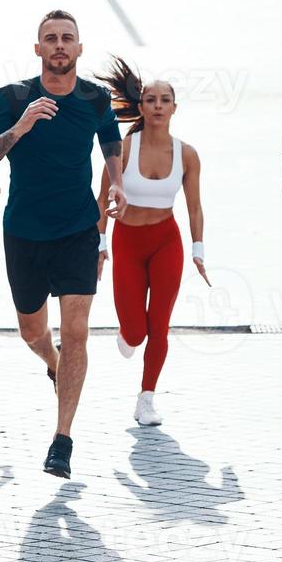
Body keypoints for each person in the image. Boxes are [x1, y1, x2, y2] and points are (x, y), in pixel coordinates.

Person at [0, 10, 125, 478]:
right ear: (38, 49)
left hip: (78, 230)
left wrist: (116, 184)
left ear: (80, 49)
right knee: (33, 333)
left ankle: (62, 440)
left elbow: (111, 144)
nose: (59, 45)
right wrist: (20, 127)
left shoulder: (96, 100)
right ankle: (52, 362)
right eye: (50, 39)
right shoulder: (12, 97)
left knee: (77, 331)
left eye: (67, 39)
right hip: (25, 233)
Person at [95, 57, 208, 427]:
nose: (158, 106)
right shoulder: (123, 149)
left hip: (166, 241)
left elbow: (194, 208)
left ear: (174, 107)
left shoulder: (187, 154)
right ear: (141, 106)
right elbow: (100, 200)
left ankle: (146, 398)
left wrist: (197, 249)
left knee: (159, 325)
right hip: (128, 240)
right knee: (135, 331)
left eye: (165, 100)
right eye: (151, 100)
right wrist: (100, 245)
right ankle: (127, 335)